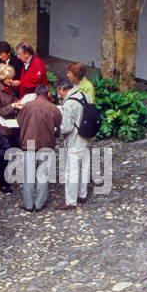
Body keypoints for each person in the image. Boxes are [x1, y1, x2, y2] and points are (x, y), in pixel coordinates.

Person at [16, 84, 62, 211]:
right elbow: (58, 129)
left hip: (29, 142)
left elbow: (19, 122)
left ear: (35, 94)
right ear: (48, 94)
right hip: (46, 143)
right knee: (43, 175)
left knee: (28, 176)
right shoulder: (54, 109)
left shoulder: (27, 106)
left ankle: (28, 204)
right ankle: (39, 203)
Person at [56, 79, 92, 209]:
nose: (59, 95)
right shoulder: (84, 96)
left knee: (72, 172)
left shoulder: (69, 104)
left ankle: (70, 201)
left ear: (62, 90)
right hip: (86, 138)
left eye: (59, 92)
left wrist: (57, 128)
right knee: (84, 168)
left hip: (74, 141)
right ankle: (82, 194)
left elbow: (66, 128)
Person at [0, 63, 21, 138]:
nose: (11, 80)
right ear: (2, 78)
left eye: (12, 78)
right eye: (9, 78)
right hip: (0, 130)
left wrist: (19, 101)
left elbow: (13, 97)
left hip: (9, 127)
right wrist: (12, 106)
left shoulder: (7, 86)